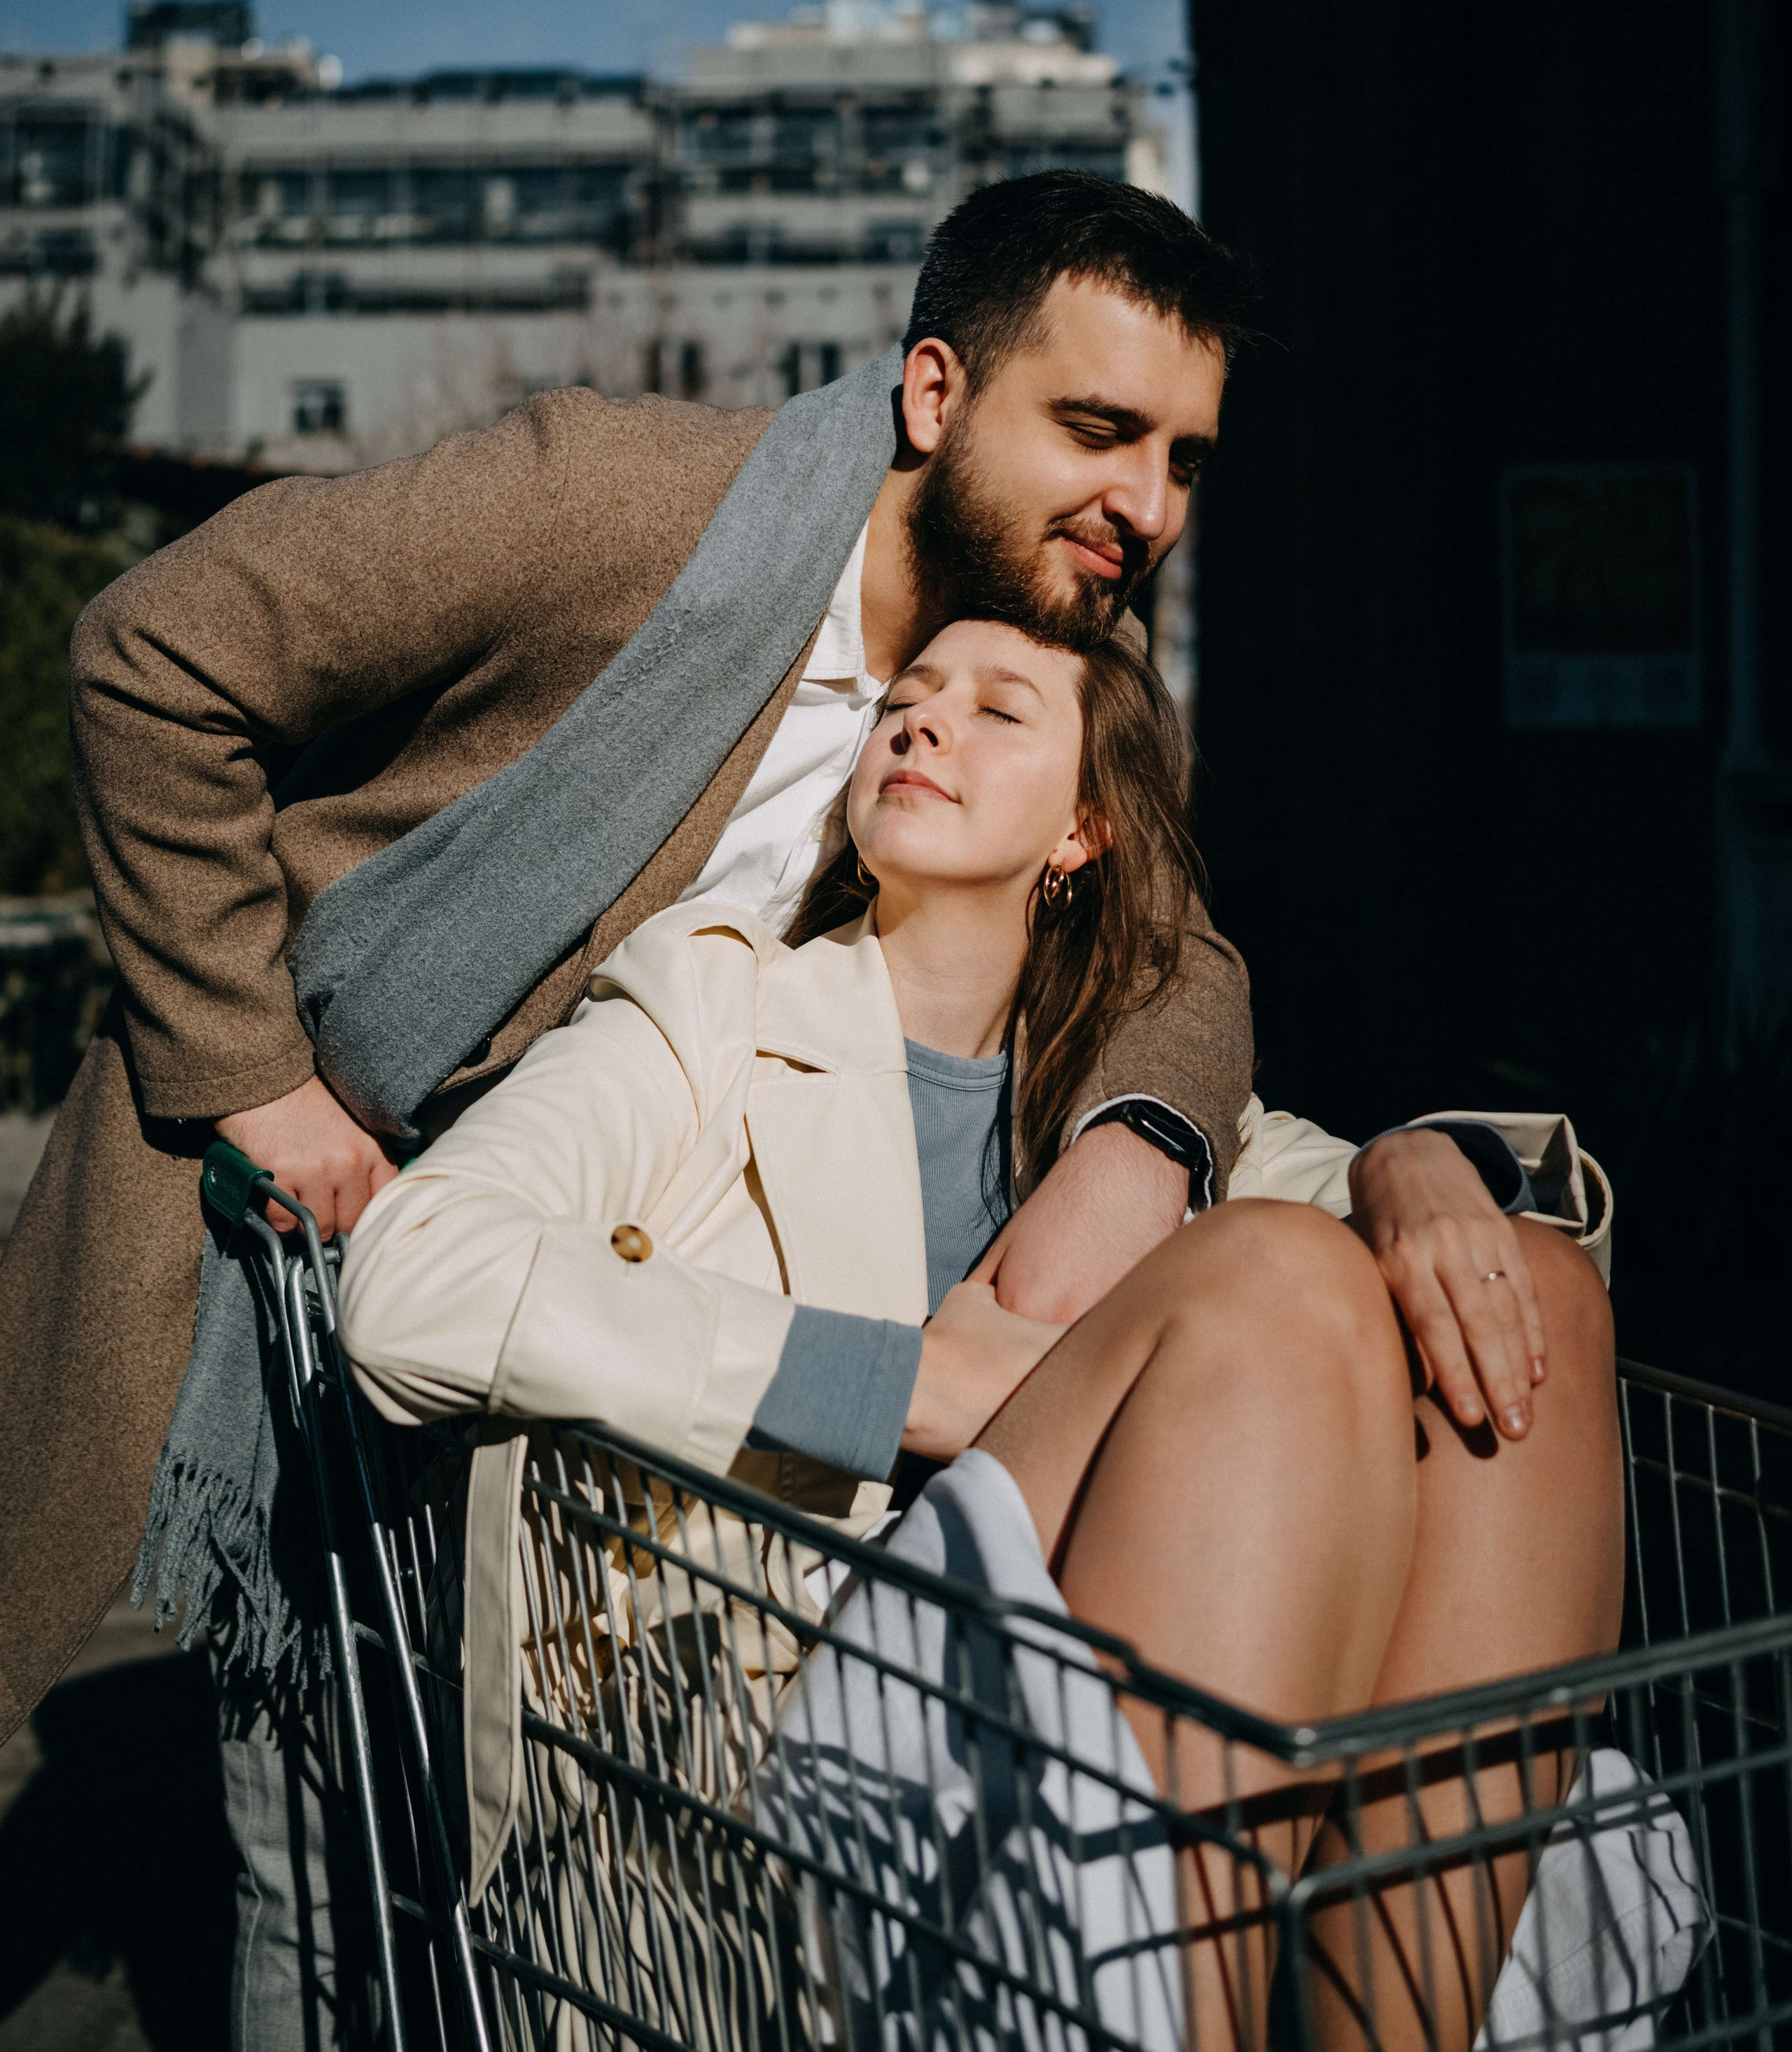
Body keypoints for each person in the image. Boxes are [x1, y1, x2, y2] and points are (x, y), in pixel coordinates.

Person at [0, 173, 1264, 2046]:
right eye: (1096, 429)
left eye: (1181, 457)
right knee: (302, 1833)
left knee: (504, 1884)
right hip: (287, 1211)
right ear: (933, 396)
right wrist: (251, 1067)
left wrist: (1137, 1140)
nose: (1146, 505)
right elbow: (157, 653)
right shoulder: (618, 503)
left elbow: (1176, 941)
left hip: (589, 1304)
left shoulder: (1053, 642)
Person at [337, 614, 1622, 2052]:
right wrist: (899, 1381)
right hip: (790, 1699)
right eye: (906, 696)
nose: (923, 721)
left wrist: (1416, 1163)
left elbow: (1432, 1235)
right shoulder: (710, 1003)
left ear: (1082, 831)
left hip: (1108, 1684)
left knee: (1534, 1288)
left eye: (995, 708)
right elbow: (410, 1273)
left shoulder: (1135, 1109)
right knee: (1277, 1270)